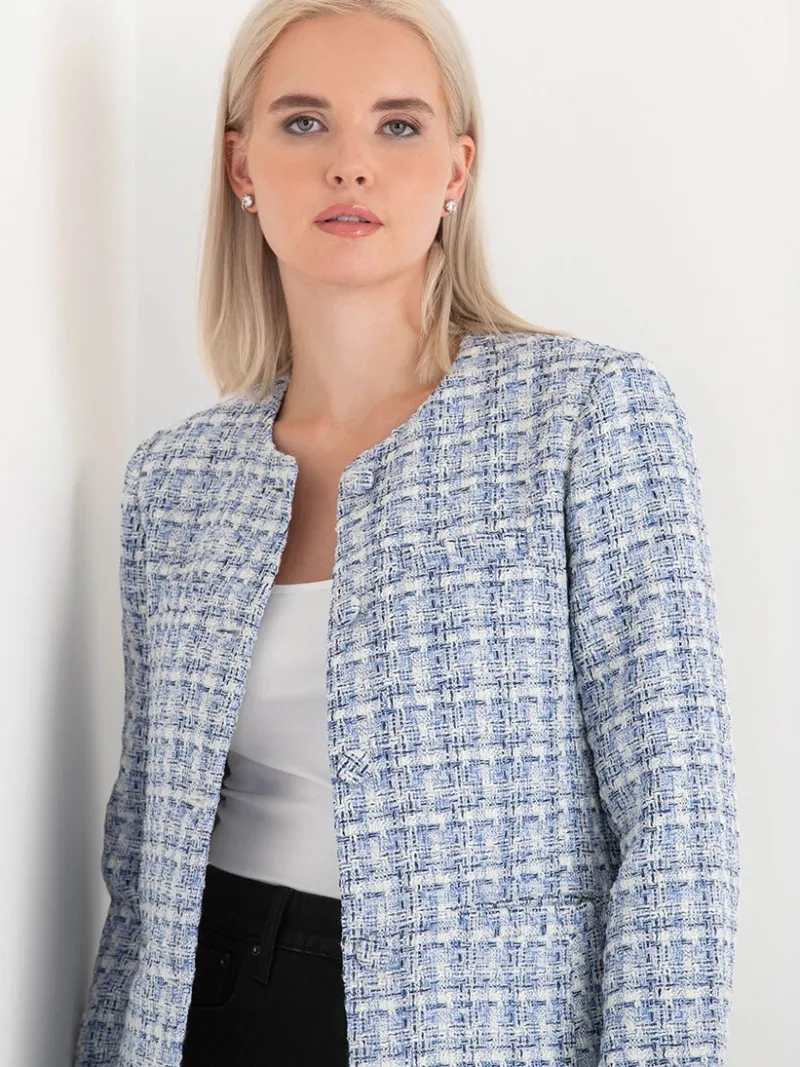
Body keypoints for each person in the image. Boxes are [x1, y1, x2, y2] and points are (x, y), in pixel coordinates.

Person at [73, 1, 741, 1065]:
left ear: (456, 168)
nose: (350, 164)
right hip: (213, 1012)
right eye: (303, 122)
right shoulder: (176, 481)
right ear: (241, 165)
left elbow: (677, 827)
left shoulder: (582, 416)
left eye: (397, 125)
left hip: (480, 1028)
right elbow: (143, 856)